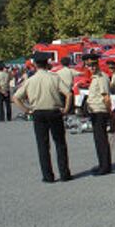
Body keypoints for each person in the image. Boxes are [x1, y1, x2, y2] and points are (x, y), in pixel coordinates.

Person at [13, 51, 73, 183]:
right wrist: (66, 109)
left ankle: (48, 176)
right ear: (47, 64)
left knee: (43, 145)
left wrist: (27, 110)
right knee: (60, 143)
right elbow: (68, 93)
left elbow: (16, 97)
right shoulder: (54, 77)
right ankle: (64, 173)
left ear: (35, 65)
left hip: (38, 113)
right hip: (54, 111)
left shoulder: (30, 80)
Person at [84, 53, 112, 176]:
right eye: (89, 65)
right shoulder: (95, 77)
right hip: (94, 111)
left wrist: (109, 112)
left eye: (94, 65)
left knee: (101, 140)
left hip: (100, 111)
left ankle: (105, 166)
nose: (92, 67)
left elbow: (106, 97)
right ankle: (102, 164)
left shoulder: (101, 77)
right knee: (98, 140)